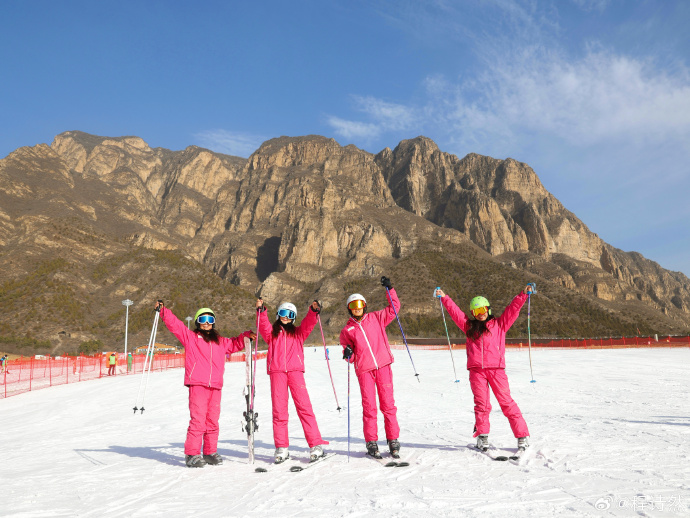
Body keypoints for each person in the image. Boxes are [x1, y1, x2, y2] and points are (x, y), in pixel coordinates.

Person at [156, 301, 255, 468]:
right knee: (198, 420)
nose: (207, 322)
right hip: (198, 384)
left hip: (215, 385)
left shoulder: (221, 342)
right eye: (203, 319)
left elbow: (235, 343)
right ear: (197, 322)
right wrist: (164, 312)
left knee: (212, 420)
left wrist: (245, 336)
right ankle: (192, 454)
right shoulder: (191, 338)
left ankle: (209, 452)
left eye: (210, 319)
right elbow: (176, 326)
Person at [434, 285, 532, 452]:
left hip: (496, 370)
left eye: (483, 309)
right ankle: (482, 436)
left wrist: (522, 295)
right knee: (482, 405)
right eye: (476, 311)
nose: (481, 313)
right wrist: (444, 298)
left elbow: (512, 310)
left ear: (488, 309)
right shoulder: (469, 327)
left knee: (506, 402)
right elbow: (455, 312)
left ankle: (522, 436)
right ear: (472, 313)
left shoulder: (500, 325)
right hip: (476, 371)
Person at [256, 298, 329, 463]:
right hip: (277, 373)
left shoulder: (298, 333)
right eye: (282, 313)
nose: (285, 317)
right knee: (279, 412)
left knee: (305, 408)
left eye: (289, 314)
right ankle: (282, 448)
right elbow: (263, 325)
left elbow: (309, 324)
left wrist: (313, 311)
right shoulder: (271, 334)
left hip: (295, 372)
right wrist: (261, 311)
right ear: (278, 314)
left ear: (293, 317)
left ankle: (315, 445)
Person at [339, 276, 402, 460]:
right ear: (349, 309)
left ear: (364, 305)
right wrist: (348, 353)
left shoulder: (376, 317)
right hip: (364, 370)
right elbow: (347, 354)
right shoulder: (347, 330)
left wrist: (390, 289)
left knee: (388, 405)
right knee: (369, 407)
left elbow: (394, 308)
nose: (357, 307)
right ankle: (371, 441)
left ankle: (393, 439)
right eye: (353, 305)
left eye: (359, 304)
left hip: (382, 366)